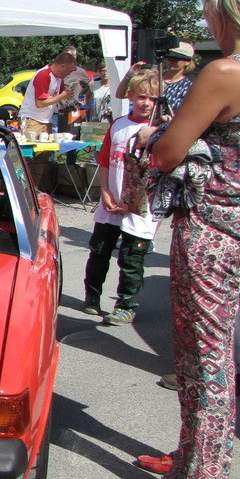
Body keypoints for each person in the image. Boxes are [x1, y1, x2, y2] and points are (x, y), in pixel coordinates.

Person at [129, 0, 240, 479]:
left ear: (229, 7)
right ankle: (191, 455)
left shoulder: (228, 72)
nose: (206, 16)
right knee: (200, 350)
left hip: (211, 225)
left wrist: (152, 135)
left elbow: (167, 152)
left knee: (205, 356)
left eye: (209, 4)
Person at [81, 69, 161, 326]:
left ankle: (126, 305)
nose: (146, 103)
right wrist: (105, 192)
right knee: (99, 252)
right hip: (111, 203)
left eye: (152, 98)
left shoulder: (160, 131)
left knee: (131, 259)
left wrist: (135, 201)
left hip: (139, 209)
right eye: (141, 97)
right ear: (131, 96)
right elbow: (105, 161)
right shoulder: (118, 125)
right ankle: (92, 296)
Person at [116, 42, 197, 121]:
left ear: (188, 62)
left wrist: (168, 119)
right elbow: (121, 94)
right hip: (145, 124)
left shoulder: (188, 87)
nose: (171, 62)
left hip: (168, 127)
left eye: (175, 60)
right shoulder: (154, 79)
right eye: (169, 58)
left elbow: (190, 115)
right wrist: (129, 75)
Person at [17, 52, 77, 141]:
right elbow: (40, 103)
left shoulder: (59, 79)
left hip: (46, 120)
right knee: (29, 147)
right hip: (32, 119)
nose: (69, 74)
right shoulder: (44, 75)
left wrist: (69, 98)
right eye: (69, 70)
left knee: (47, 148)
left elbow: (59, 97)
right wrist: (62, 96)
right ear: (63, 66)